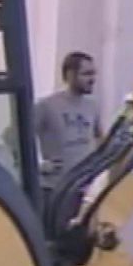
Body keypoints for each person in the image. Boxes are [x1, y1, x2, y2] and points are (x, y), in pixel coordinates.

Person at [34, 51, 102, 194]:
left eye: (94, 74)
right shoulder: (46, 105)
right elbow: (13, 137)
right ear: (70, 75)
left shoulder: (93, 106)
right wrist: (37, 164)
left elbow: (100, 139)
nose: (92, 79)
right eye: (87, 74)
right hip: (54, 189)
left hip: (84, 188)